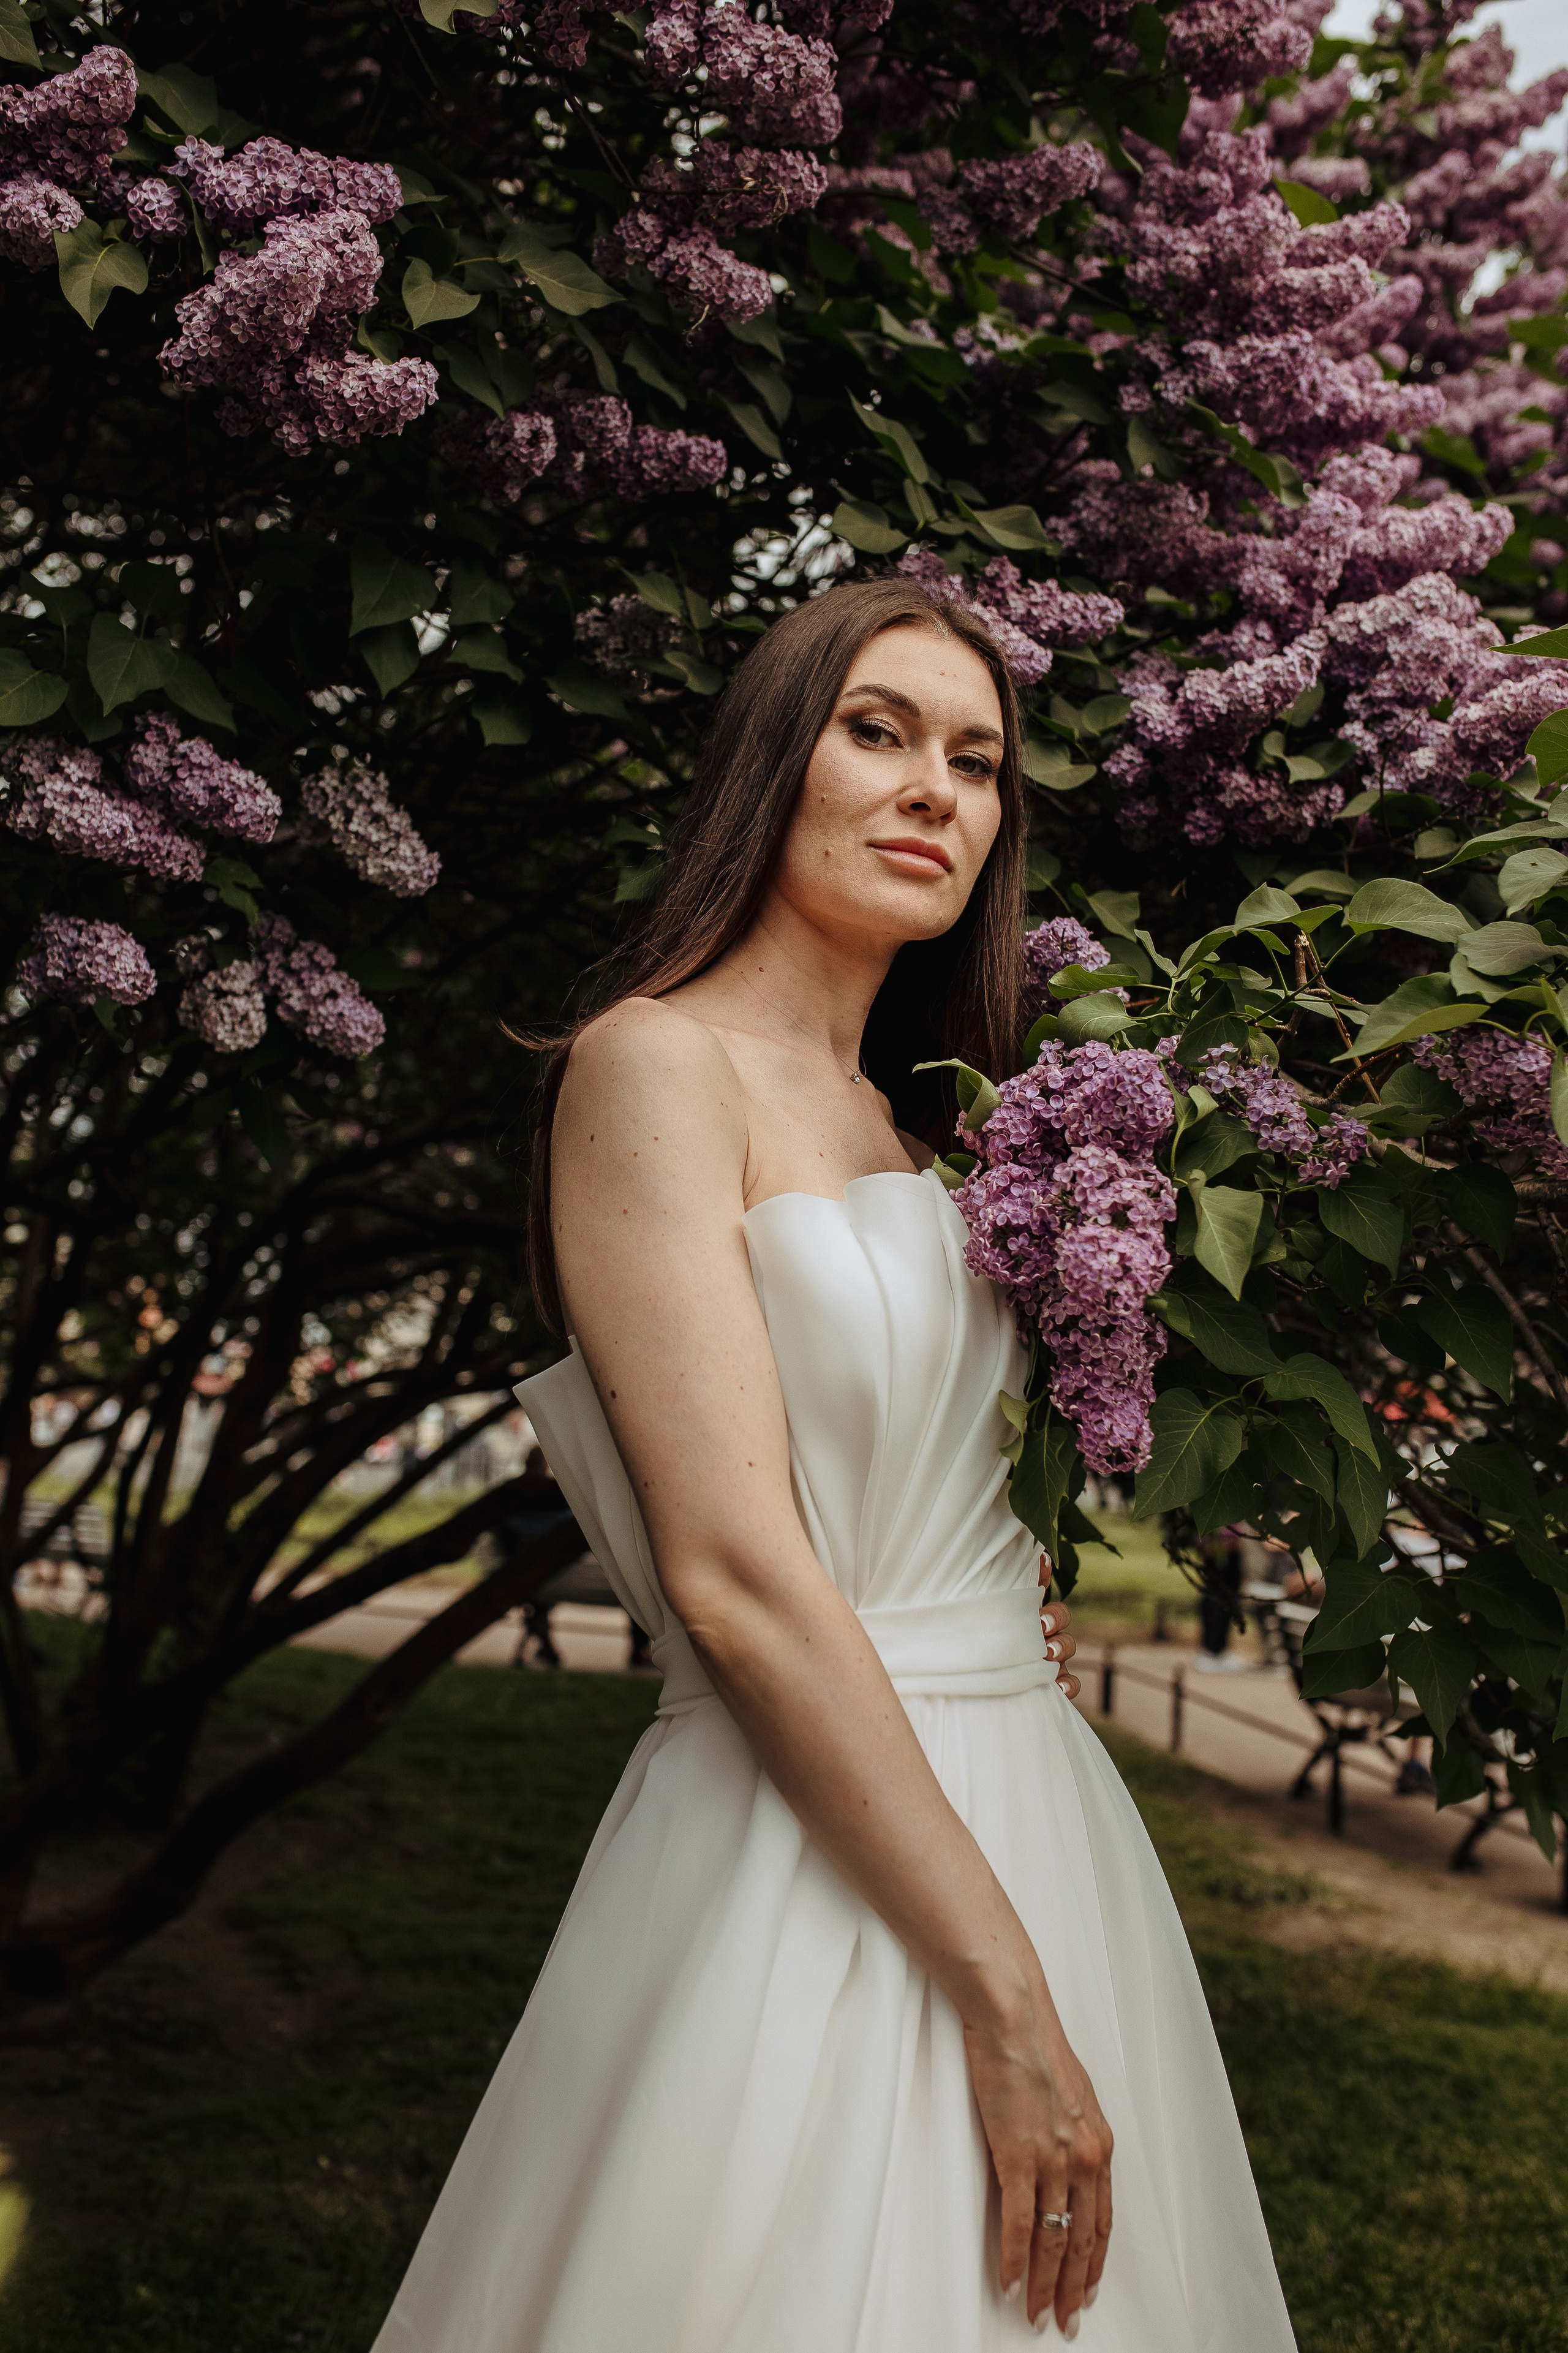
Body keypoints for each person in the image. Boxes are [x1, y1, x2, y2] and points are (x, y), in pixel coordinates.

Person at [371, 580, 1296, 2352]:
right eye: (879, 731)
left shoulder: (938, 1128)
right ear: (773, 763)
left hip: (1034, 1797)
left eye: (979, 759)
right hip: (799, 1830)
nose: (938, 786)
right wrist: (1007, 1998)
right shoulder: (655, 1066)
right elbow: (732, 1573)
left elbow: (929, 1461)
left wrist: (1007, 1584)